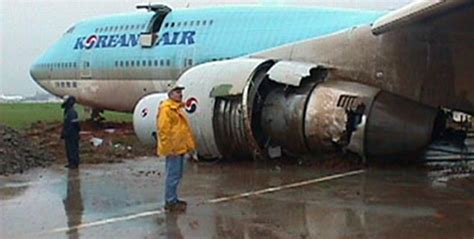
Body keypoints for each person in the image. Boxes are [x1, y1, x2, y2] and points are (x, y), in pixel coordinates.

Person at [157, 84, 196, 212]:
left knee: (177, 175)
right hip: (173, 149)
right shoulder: (166, 109)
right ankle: (170, 201)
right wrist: (169, 148)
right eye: (177, 92)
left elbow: (183, 130)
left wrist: (189, 146)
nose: (180, 94)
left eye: (180, 92)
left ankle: (173, 199)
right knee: (172, 175)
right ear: (171, 94)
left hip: (180, 147)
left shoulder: (177, 108)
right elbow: (163, 130)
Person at [61, 96, 81, 169]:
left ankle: (74, 163)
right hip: (70, 134)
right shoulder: (68, 112)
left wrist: (67, 132)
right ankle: (71, 162)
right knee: (70, 149)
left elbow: (74, 124)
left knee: (73, 148)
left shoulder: (71, 112)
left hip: (72, 134)